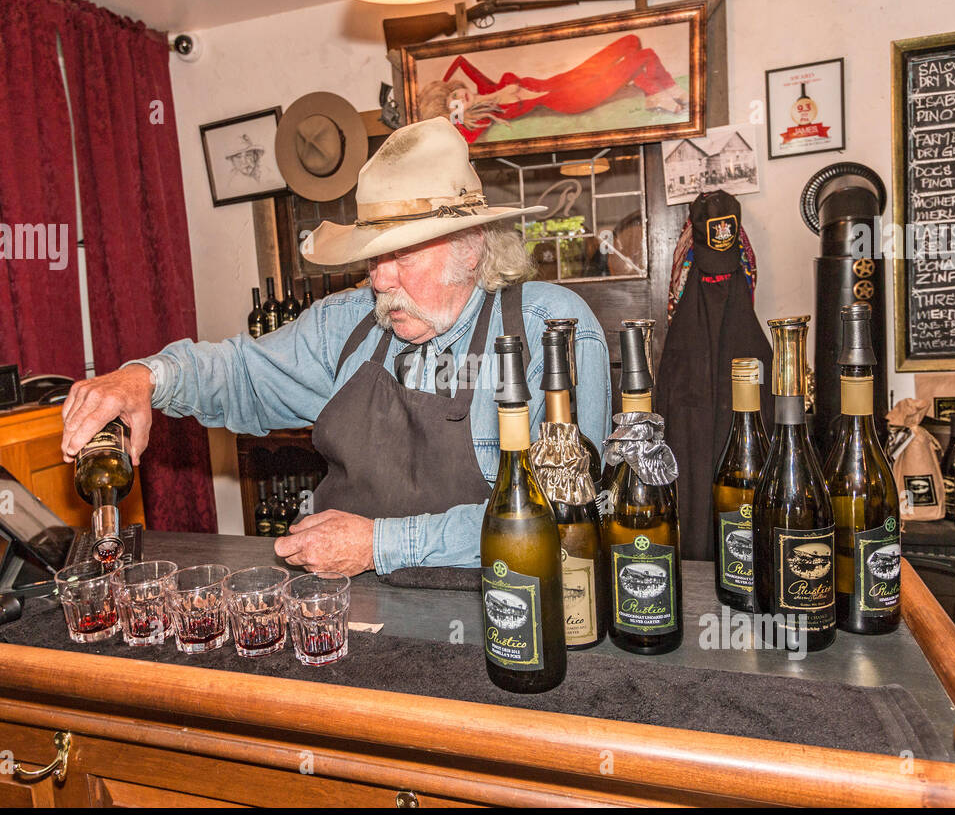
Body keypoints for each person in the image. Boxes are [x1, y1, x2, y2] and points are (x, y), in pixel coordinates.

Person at [60, 117, 610, 577]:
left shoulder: (550, 331)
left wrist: (381, 545)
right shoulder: (346, 324)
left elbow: (568, 510)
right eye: (375, 257)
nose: (380, 280)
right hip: (343, 602)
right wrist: (147, 377)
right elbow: (242, 373)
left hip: (504, 604)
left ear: (470, 248)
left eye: (404, 256)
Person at [418, 33, 688, 144]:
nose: (458, 98)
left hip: (568, 78)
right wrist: (450, 114)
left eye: (455, 94)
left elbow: (460, 61)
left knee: (632, 41)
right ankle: (664, 92)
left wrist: (443, 90)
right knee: (644, 56)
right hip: (571, 97)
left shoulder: (487, 87)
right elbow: (462, 138)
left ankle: (651, 90)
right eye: (454, 104)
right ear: (457, 115)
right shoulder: (486, 115)